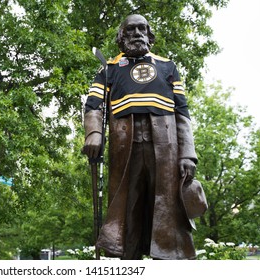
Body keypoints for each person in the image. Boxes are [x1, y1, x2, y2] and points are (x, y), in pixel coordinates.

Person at [82, 14, 198, 260]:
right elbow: (93, 105)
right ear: (122, 36)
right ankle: (128, 260)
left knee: (167, 206)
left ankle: (167, 259)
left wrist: (188, 153)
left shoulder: (168, 66)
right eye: (131, 29)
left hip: (166, 147)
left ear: (149, 34)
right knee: (127, 205)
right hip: (125, 147)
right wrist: (93, 133)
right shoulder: (109, 68)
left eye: (142, 28)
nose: (137, 33)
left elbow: (182, 111)